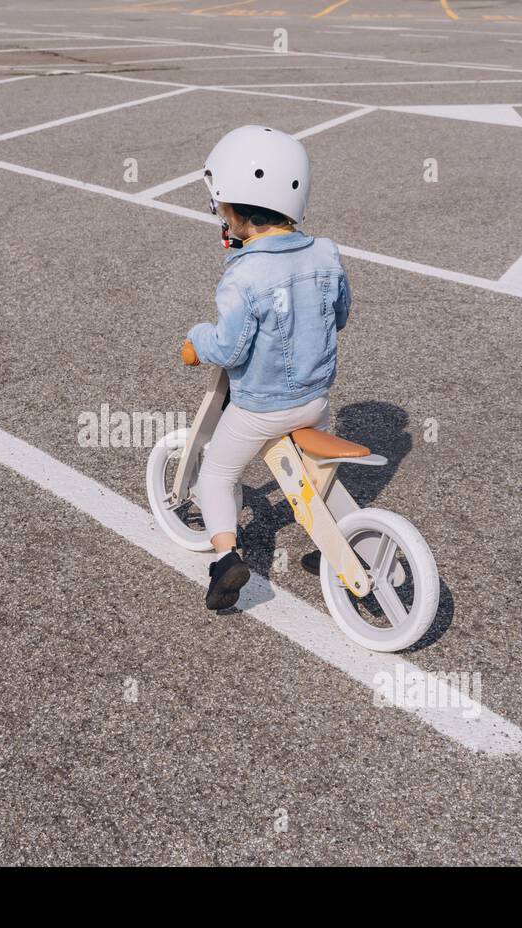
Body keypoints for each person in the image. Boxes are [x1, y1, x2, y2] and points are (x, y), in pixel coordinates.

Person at [184, 126, 351, 611]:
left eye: (221, 204)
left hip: (261, 406)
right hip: (315, 399)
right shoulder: (326, 253)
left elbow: (229, 348)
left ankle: (224, 558)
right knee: (311, 473)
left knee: (216, 475)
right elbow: (339, 316)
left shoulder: (244, 273)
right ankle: (332, 542)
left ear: (235, 206)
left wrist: (196, 343)